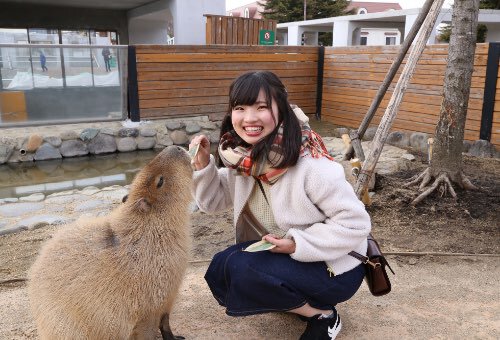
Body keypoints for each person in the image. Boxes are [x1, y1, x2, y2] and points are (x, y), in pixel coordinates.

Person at [189, 71, 371, 340]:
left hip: (335, 267)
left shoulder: (312, 165)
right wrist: (203, 165)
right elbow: (211, 202)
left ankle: (324, 315)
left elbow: (356, 225)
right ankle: (295, 300)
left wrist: (297, 244)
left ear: (281, 109)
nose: (249, 118)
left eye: (261, 107)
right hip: (288, 258)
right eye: (240, 108)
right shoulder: (244, 160)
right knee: (222, 265)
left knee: (243, 267)